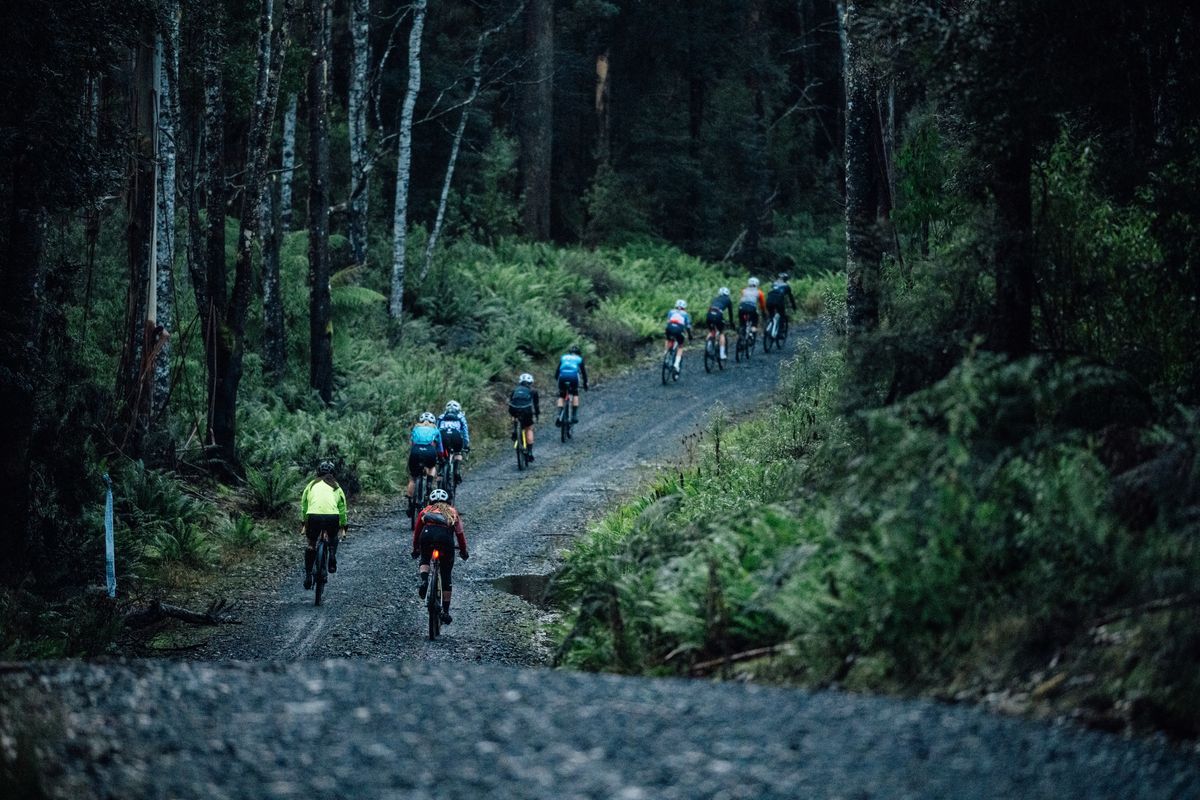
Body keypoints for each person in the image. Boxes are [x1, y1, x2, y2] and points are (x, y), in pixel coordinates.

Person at [410, 488, 469, 624]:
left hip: (427, 536)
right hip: (445, 540)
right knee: (446, 573)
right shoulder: (452, 512)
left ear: (430, 500)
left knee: (425, 558)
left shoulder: (425, 511)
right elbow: (460, 534)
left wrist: (416, 549)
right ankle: (446, 612)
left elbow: (417, 533)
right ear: (447, 501)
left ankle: (425, 581)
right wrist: (463, 551)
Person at [300, 459, 348, 589]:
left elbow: (304, 505)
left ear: (317, 473)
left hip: (313, 516)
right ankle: (331, 555)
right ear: (333, 474)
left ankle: (309, 575)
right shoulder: (336, 486)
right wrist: (343, 524)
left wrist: (304, 521)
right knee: (333, 538)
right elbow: (342, 507)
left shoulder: (310, 485)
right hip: (332, 516)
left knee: (311, 544)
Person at [406, 411, 443, 516]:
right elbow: (440, 447)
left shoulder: (416, 428)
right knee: (432, 467)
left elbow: (412, 443)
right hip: (429, 451)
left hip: (416, 451)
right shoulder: (435, 429)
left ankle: (410, 504)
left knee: (413, 478)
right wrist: (440, 457)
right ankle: (429, 483)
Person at [508, 373, 541, 461]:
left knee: (514, 415)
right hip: (526, 410)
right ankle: (529, 452)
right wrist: (537, 415)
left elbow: (511, 401)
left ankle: (515, 430)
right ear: (530, 382)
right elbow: (536, 405)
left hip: (513, 409)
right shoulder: (533, 391)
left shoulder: (515, 390)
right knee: (529, 428)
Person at [437, 400, 470, 484]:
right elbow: (465, 431)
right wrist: (466, 444)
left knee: (442, 455)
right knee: (458, 452)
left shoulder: (441, 416)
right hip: (456, 436)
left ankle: (440, 471)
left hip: (443, 436)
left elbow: (436, 430)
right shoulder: (461, 416)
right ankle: (456, 471)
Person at [555, 344, 589, 425]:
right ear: (578, 353)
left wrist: (558, 381)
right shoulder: (579, 359)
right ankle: (574, 416)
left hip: (562, 376)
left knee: (561, 395)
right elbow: (584, 373)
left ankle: (559, 415)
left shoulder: (563, 357)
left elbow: (557, 372)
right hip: (573, 377)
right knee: (575, 393)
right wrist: (585, 384)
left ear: (570, 352)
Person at [664, 299, 692, 376]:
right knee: (680, 346)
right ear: (684, 307)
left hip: (669, 328)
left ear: (676, 306)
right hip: (679, 329)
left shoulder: (671, 311)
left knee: (668, 339)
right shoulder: (686, 314)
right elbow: (688, 327)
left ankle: (666, 353)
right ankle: (676, 364)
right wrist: (690, 336)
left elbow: (668, 321)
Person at [706, 287, 735, 361]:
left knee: (712, 331)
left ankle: (708, 345)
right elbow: (730, 313)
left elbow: (710, 307)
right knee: (721, 333)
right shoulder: (728, 300)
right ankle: (722, 354)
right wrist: (731, 323)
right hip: (718, 315)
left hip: (709, 314)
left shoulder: (715, 299)